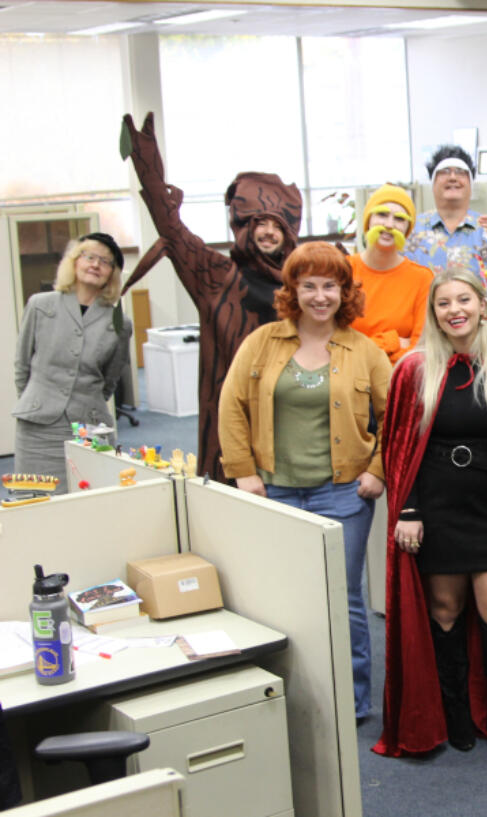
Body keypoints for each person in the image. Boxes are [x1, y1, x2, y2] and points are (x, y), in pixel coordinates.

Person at [375, 267, 487, 757]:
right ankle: (455, 711)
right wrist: (407, 509)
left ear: (482, 304)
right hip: (435, 510)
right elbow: (398, 449)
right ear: (433, 313)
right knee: (445, 610)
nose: (455, 310)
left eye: (464, 300)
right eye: (443, 303)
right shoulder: (414, 370)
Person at [218, 241, 390, 721]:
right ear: (292, 289)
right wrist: (244, 472)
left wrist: (378, 469)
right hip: (274, 491)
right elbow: (231, 405)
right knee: (282, 595)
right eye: (308, 285)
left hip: (343, 493)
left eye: (329, 286)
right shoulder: (263, 342)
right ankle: (289, 699)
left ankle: (352, 699)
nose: (319, 296)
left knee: (344, 597)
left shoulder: (365, 351)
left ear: (344, 291)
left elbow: (398, 415)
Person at [120, 112, 302, 481]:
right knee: (230, 502)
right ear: (243, 226)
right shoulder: (216, 275)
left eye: (276, 226)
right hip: (231, 413)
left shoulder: (300, 282)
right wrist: (150, 171)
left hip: (291, 412)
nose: (268, 233)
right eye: (259, 223)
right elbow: (172, 229)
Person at [14, 233, 133, 492]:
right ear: (74, 261)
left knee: (88, 500)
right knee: (35, 498)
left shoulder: (119, 322)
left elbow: (110, 381)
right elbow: (22, 366)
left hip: (89, 425)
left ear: (112, 273)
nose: (95, 265)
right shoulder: (39, 305)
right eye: (89, 256)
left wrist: (84, 399)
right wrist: (38, 399)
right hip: (38, 427)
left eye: (105, 261)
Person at [348, 183, 433, 362]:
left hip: (398, 382)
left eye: (399, 219)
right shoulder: (344, 270)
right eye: (382, 214)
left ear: (407, 229)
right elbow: (333, 344)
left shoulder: (422, 279)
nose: (389, 225)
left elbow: (420, 352)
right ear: (368, 220)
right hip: (346, 381)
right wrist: (391, 341)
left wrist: (360, 349)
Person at [403, 145, 487, 281]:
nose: (453, 177)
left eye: (460, 172)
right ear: (433, 182)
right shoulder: (409, 229)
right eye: (444, 171)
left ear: (470, 183)